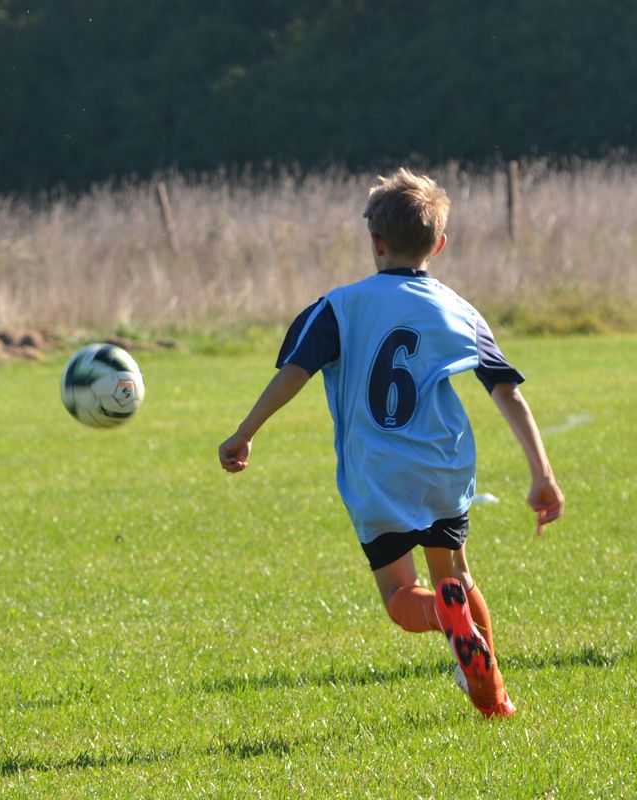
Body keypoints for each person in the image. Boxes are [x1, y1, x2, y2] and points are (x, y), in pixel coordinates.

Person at [217, 168, 564, 718]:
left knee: (402, 597)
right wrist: (542, 474)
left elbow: (295, 372)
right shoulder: (459, 309)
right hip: (442, 466)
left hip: (377, 474)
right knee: (456, 573)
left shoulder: (339, 306)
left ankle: (442, 617)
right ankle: (493, 694)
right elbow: (507, 392)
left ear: (375, 241)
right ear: (439, 245)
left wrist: (245, 432)